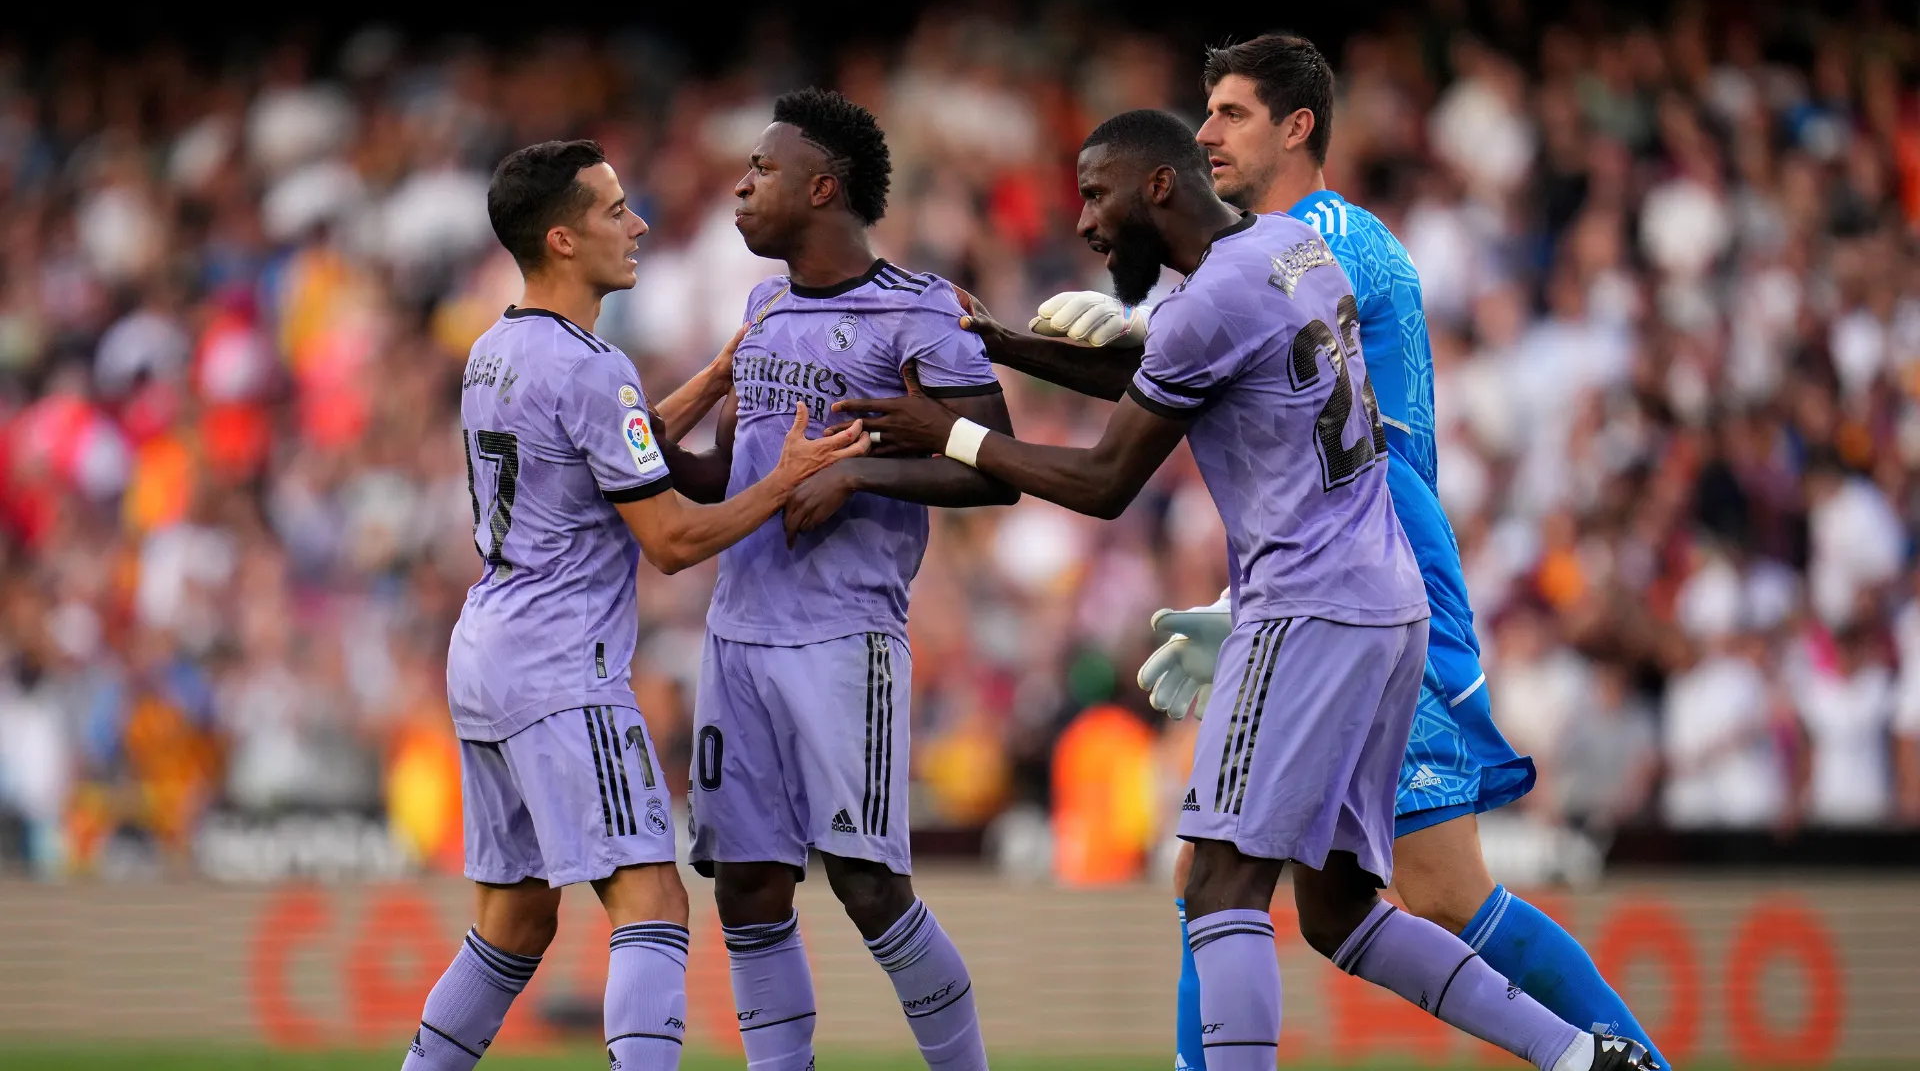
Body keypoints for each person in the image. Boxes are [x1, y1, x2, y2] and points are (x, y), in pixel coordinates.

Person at [841, 108, 1653, 1071]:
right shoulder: (1289, 251)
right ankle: (1577, 1057)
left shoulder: (1208, 300)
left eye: (1097, 194)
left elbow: (1106, 483)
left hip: (1307, 609)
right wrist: (1001, 343)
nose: (1086, 223)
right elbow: (1169, 369)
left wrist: (953, 434)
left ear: (1157, 187)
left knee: (1219, 884)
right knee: (1339, 913)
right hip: (1386, 607)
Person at [402, 139, 867, 1071]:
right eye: (617, 211)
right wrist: (782, 481)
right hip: (562, 667)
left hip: (486, 655)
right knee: (652, 902)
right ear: (564, 239)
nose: (639, 224)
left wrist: (720, 375)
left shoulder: (493, 349)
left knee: (519, 916)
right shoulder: (592, 365)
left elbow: (617, 446)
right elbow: (670, 540)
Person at [652, 89, 1016, 1071]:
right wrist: (629, 461)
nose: (742, 185)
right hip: (738, 635)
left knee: (865, 882)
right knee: (748, 885)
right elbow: (733, 476)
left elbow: (999, 465)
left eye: (762, 171)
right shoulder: (762, 307)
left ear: (822, 187)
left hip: (843, 635)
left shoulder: (924, 311)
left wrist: (858, 473)